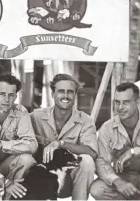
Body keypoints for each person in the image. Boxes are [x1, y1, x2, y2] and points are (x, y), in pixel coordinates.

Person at [30, 73, 97, 201]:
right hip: (41, 181)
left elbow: (92, 152)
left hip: (68, 182)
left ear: (75, 95)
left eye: (70, 92)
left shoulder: (86, 120)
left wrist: (61, 144)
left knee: (87, 161)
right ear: (52, 94)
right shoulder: (36, 116)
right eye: (61, 91)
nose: (65, 96)